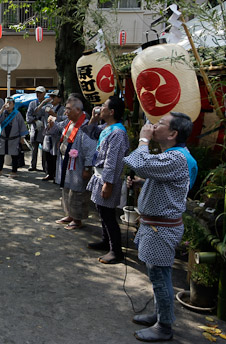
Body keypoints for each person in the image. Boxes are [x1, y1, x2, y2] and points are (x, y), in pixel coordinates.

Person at [124, 112, 197, 342]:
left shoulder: (176, 157)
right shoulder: (175, 155)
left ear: (173, 133)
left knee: (159, 275)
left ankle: (164, 325)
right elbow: (159, 178)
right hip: (157, 227)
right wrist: (141, 182)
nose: (153, 126)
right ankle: (159, 314)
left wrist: (143, 140)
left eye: (160, 124)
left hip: (161, 229)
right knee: (157, 274)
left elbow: (140, 163)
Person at [82, 96, 129, 264]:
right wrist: (93, 119)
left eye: (104, 106)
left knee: (108, 214)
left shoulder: (118, 133)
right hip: (100, 174)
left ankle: (116, 251)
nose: (100, 108)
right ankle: (105, 241)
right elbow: (89, 132)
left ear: (112, 111)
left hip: (107, 177)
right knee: (102, 211)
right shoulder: (107, 127)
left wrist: (108, 184)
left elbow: (113, 160)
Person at [48, 96, 96, 230]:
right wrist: (51, 124)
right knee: (66, 188)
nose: (65, 112)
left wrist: (87, 167)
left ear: (78, 110)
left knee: (78, 191)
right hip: (66, 162)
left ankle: (77, 218)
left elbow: (90, 148)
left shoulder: (86, 125)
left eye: (68, 109)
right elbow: (56, 130)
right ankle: (69, 214)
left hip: (78, 164)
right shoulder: (68, 122)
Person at [0, 97, 28, 177]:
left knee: (14, 155)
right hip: (3, 138)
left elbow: (22, 125)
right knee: (0, 154)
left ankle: (14, 171)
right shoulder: (3, 113)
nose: (8, 105)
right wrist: (1, 109)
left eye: (10, 103)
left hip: (14, 138)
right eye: (7, 103)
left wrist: (22, 137)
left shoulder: (17, 114)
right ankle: (0, 170)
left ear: (13, 104)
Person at [41, 90, 66, 181]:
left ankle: (56, 175)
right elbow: (36, 112)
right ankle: (49, 173)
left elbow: (63, 122)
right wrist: (43, 103)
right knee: (47, 155)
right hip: (48, 135)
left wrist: (53, 114)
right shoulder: (47, 107)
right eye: (51, 96)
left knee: (55, 156)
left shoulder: (63, 109)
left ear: (59, 99)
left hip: (57, 136)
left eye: (54, 97)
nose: (51, 99)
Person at [26, 86, 47, 172]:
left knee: (45, 149)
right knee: (34, 148)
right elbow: (28, 116)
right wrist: (35, 120)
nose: (38, 94)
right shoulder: (32, 103)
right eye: (37, 93)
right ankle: (33, 165)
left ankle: (45, 167)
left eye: (40, 93)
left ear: (44, 93)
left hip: (45, 129)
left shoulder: (48, 103)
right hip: (35, 128)